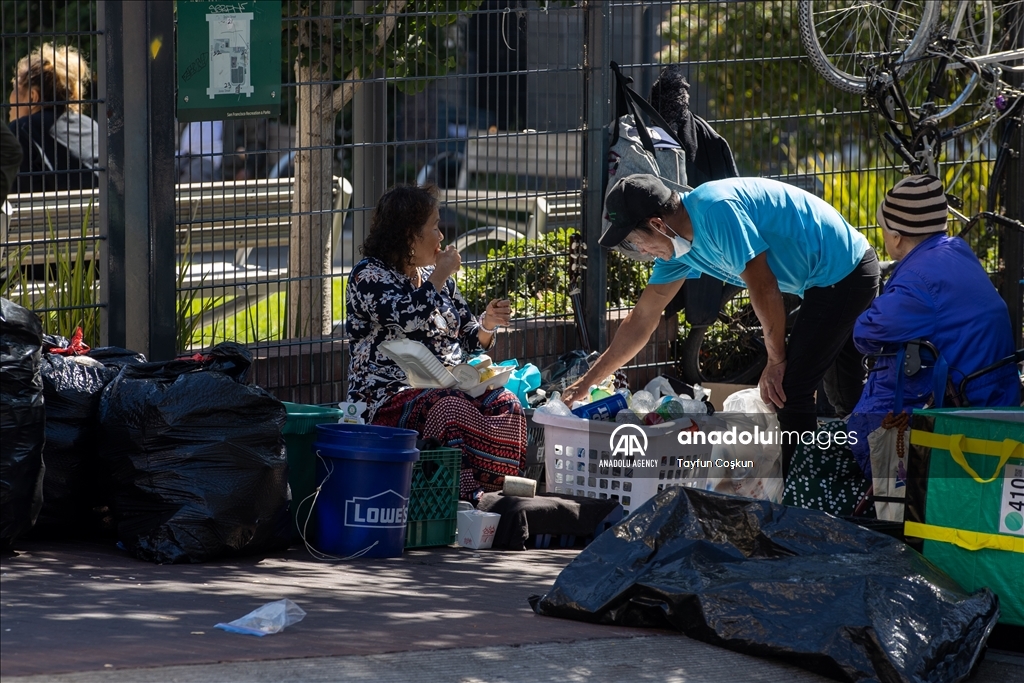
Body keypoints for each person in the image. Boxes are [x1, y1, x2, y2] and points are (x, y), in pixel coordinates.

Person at [562, 173, 879, 477]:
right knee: (846, 395)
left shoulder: (715, 211)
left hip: (844, 271)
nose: (641, 251)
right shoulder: (678, 250)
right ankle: (870, 476)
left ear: (657, 224)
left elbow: (764, 286)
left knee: (789, 391)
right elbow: (642, 318)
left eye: (636, 241)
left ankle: (798, 498)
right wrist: (587, 382)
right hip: (827, 277)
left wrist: (776, 361)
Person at [346, 184, 524, 500]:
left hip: (449, 387)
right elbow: (405, 318)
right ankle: (464, 498)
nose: (441, 236)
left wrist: (488, 323)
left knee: (506, 402)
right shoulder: (369, 275)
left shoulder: (435, 276)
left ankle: (500, 492)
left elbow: (472, 338)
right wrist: (438, 275)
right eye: (434, 227)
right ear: (409, 235)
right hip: (386, 397)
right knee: (447, 408)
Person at [847, 175, 1020, 475]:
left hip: (960, 411)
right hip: (995, 395)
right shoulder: (958, 251)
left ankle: (884, 484)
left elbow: (866, 333)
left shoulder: (917, 282)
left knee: (863, 431)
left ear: (896, 236)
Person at [7, 43, 99, 193]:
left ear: (32, 96)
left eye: (14, 87)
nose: (9, 99)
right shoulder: (91, 125)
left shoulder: (21, 129)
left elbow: (19, 199)